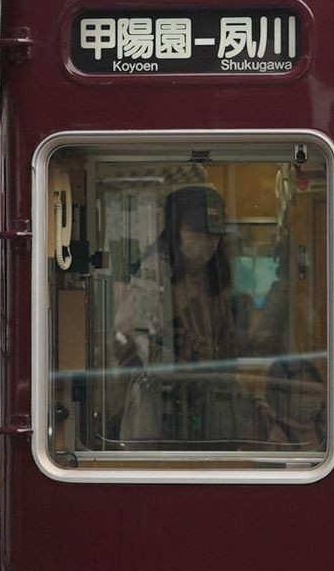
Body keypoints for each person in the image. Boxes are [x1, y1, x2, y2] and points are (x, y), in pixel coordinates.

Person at [110, 184, 258, 447]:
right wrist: (186, 365)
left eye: (215, 234)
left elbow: (227, 355)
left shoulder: (214, 280)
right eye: (197, 232)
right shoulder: (155, 273)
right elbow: (129, 343)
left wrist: (249, 399)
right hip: (160, 415)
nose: (208, 242)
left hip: (207, 416)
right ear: (174, 229)